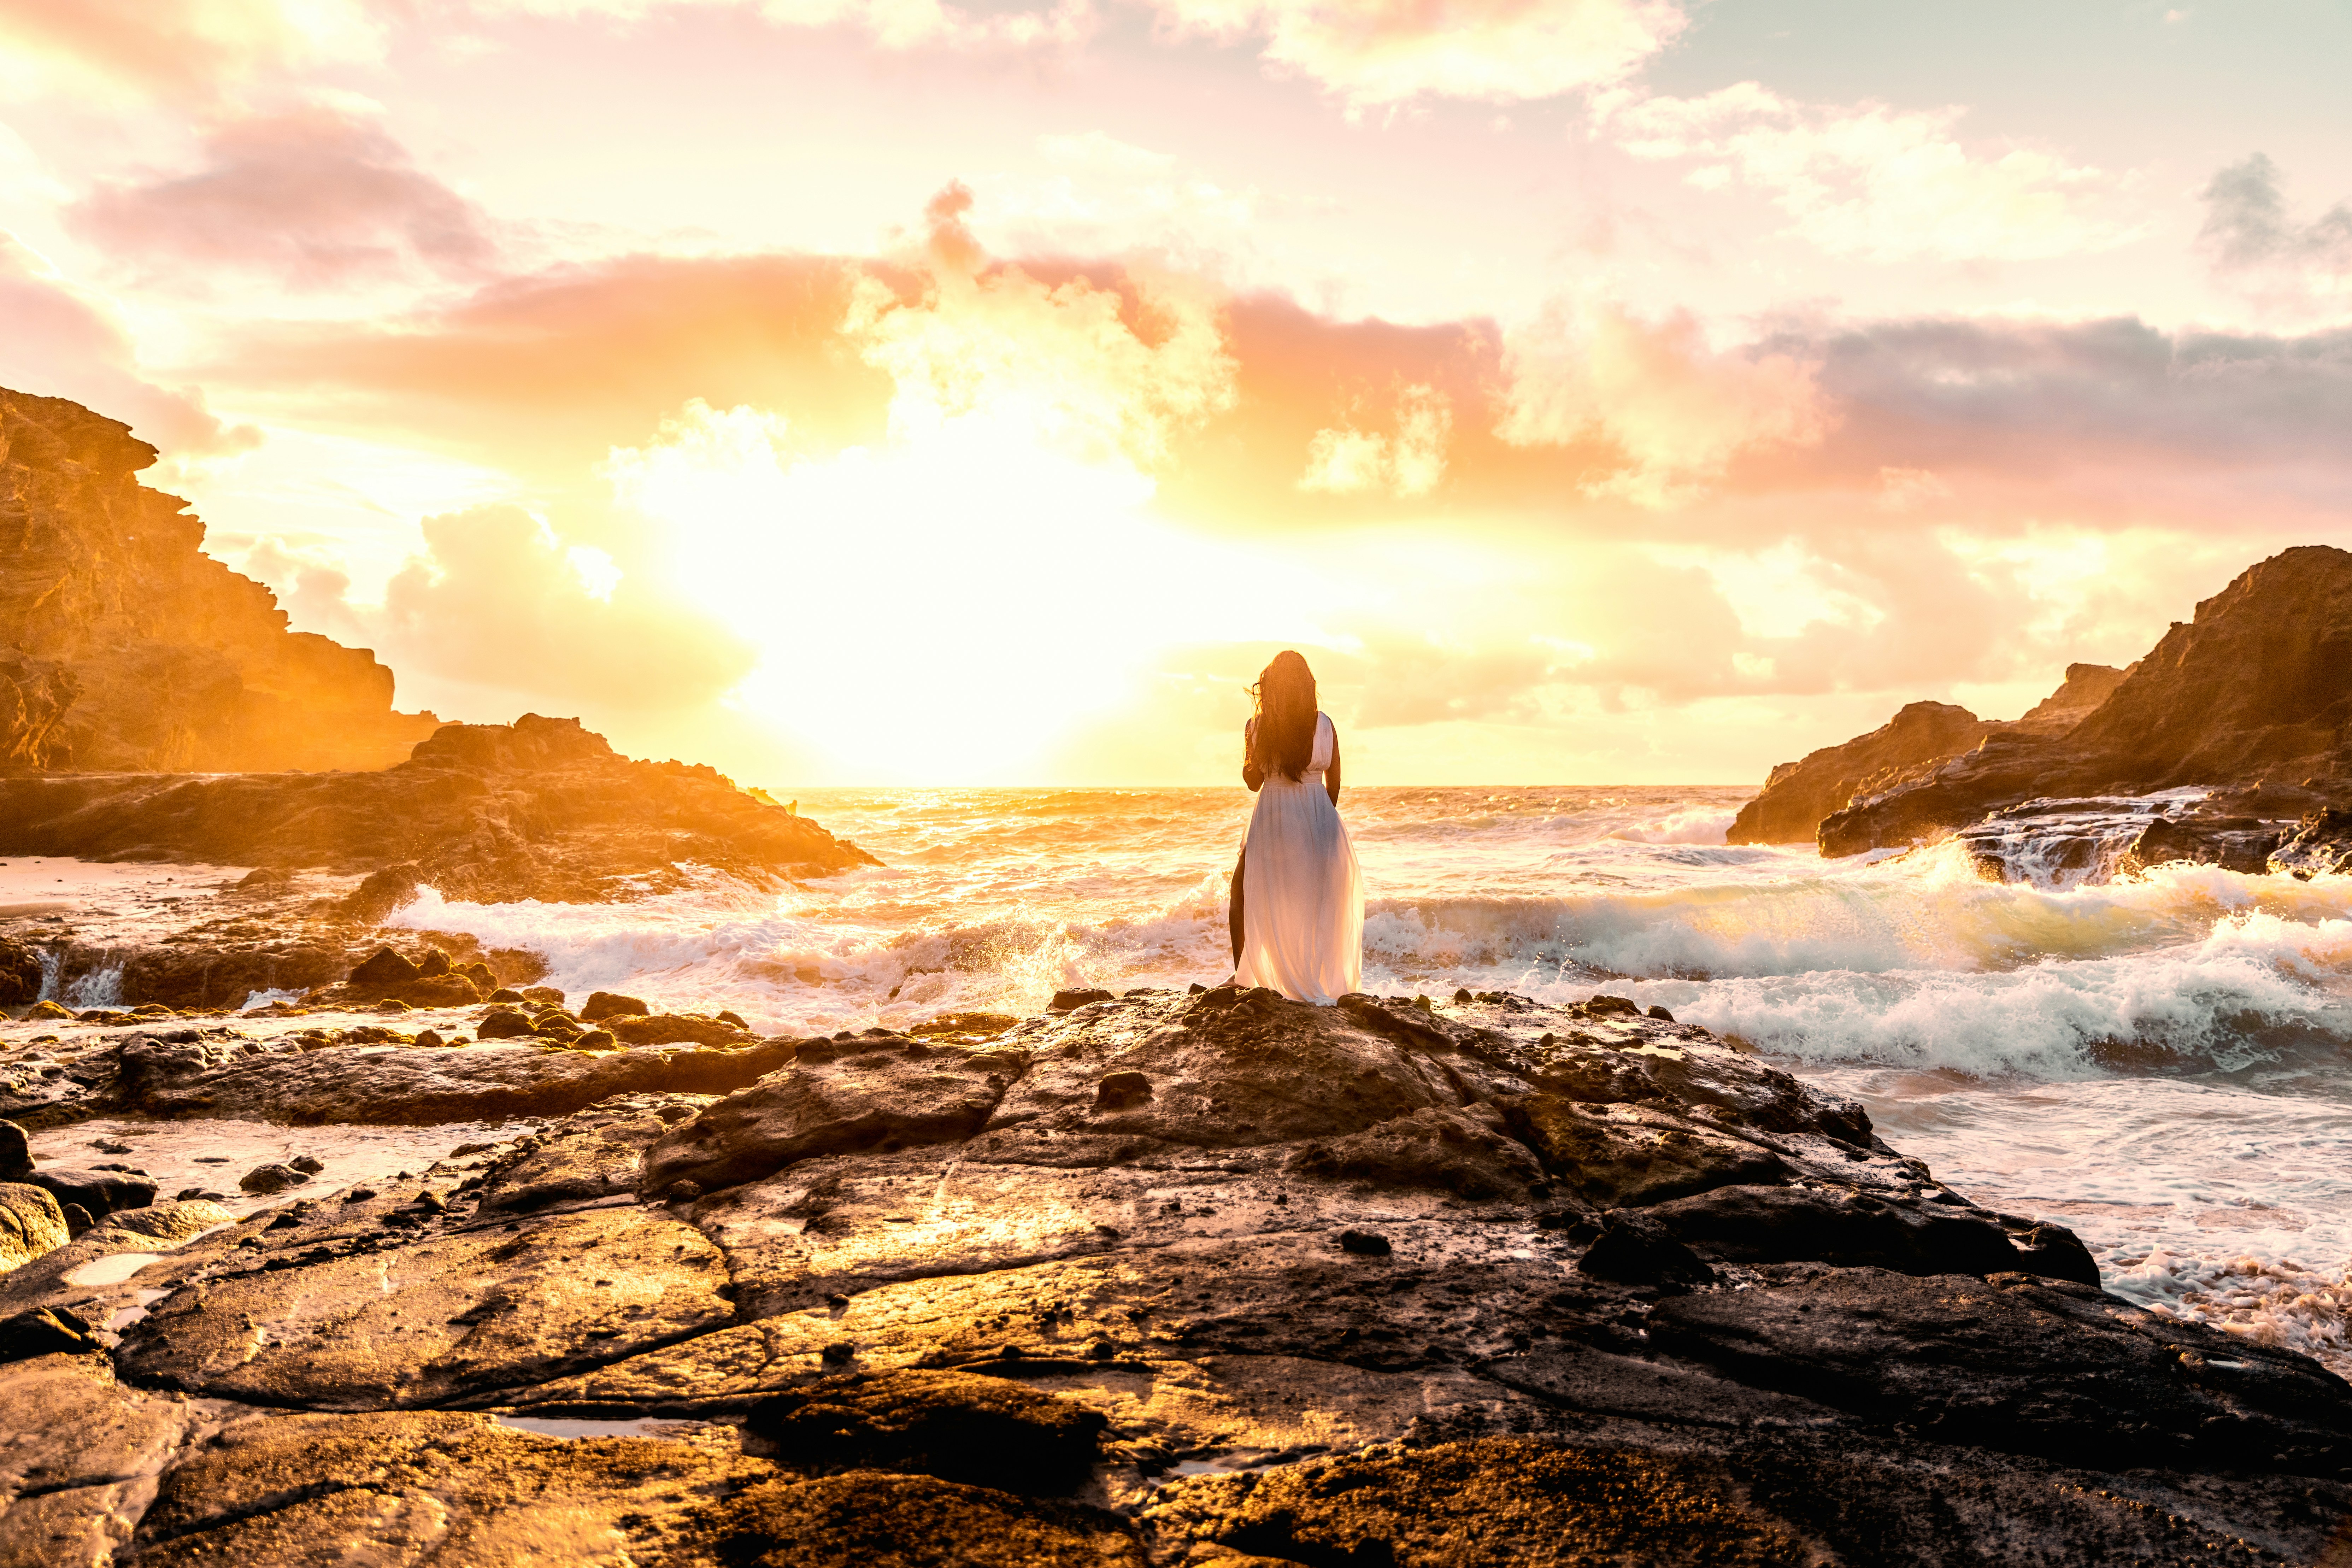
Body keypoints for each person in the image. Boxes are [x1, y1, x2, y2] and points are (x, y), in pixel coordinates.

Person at [1227, 650, 1365, 1004]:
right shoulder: (1325, 725)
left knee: (1244, 891)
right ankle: (1315, 976)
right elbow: (1333, 783)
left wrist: (1251, 752)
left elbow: (1252, 783)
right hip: (1318, 816)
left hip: (1273, 818)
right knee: (1313, 900)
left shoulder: (1257, 727)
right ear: (1307, 686)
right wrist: (1317, 819)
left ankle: (1245, 977)